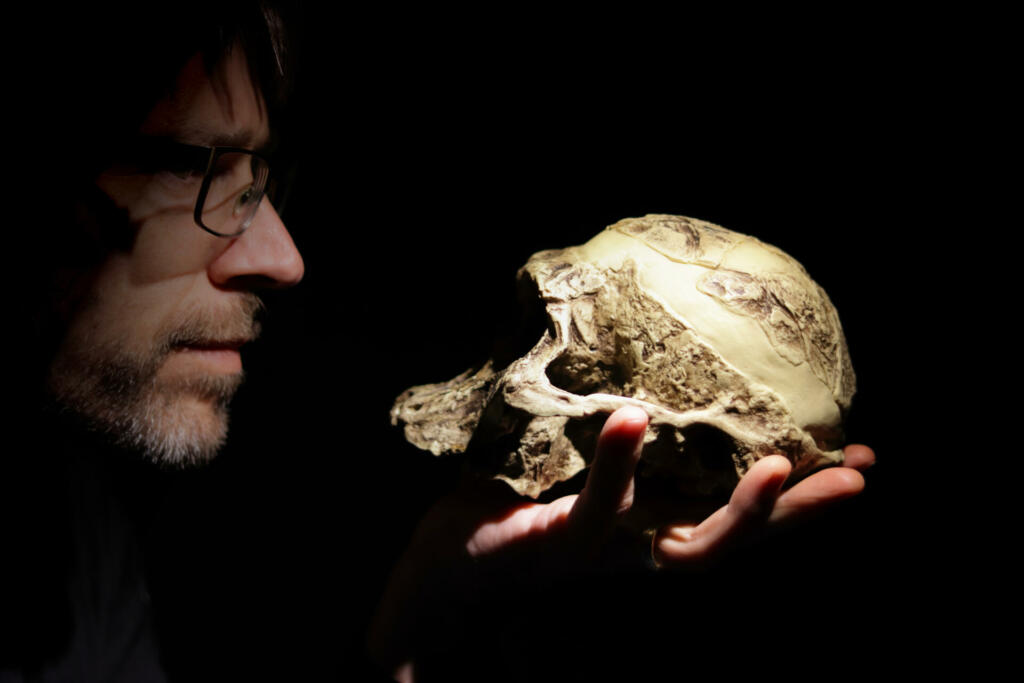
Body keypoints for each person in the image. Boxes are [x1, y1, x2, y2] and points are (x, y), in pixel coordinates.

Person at [6, 4, 874, 681]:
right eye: (188, 167)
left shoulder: (64, 546)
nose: (284, 258)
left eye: (260, 177)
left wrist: (436, 598)